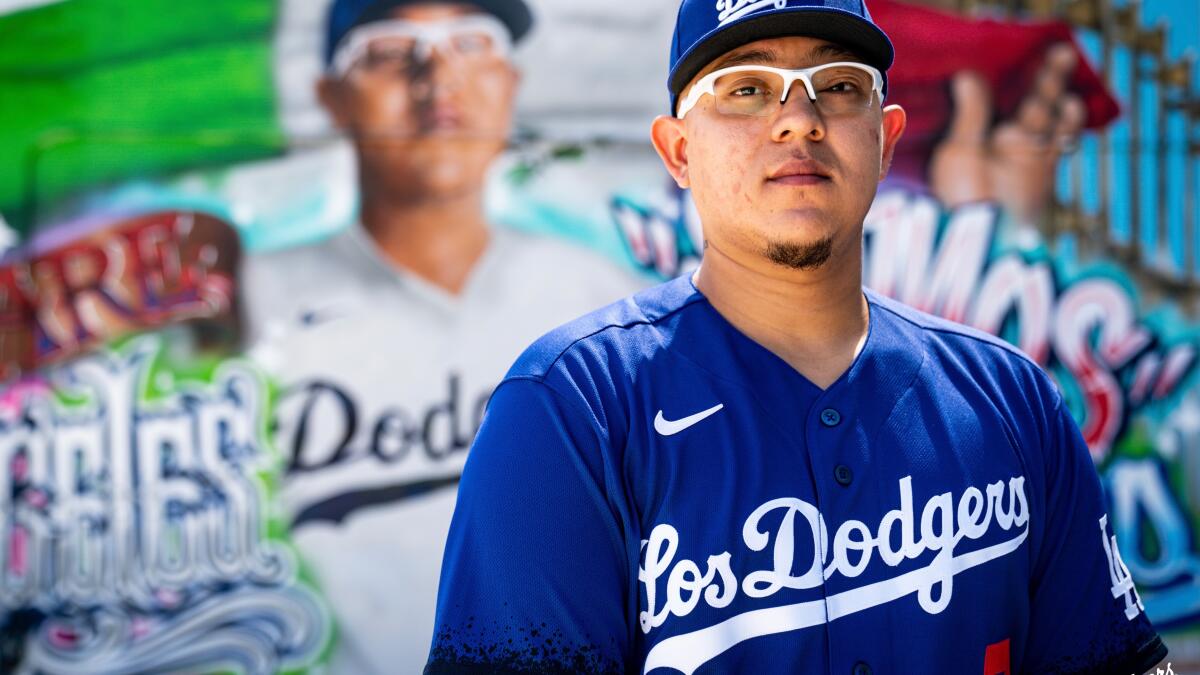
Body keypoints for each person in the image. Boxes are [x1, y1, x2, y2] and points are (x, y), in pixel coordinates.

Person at [426, 1, 1168, 673]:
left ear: (886, 138)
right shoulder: (571, 408)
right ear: (678, 150)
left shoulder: (1011, 401)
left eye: (840, 86)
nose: (799, 119)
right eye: (746, 88)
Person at [238, 0, 645, 672]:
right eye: (392, 49)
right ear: (332, 99)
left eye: (472, 42)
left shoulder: (597, 299)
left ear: (512, 83)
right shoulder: (252, 306)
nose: (437, 75)